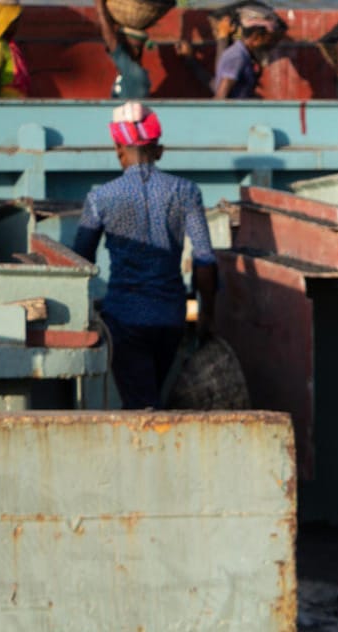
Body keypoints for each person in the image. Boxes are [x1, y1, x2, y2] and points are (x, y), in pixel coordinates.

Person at [73, 103, 219, 410]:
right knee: (151, 399)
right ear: (159, 150)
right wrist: (207, 313)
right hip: (171, 316)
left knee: (141, 407)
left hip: (125, 318)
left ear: (117, 149)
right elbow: (205, 259)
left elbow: (79, 261)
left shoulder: (100, 198)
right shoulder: (186, 192)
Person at [212, 6, 279, 99]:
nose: (268, 44)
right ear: (256, 37)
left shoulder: (245, 54)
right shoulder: (237, 56)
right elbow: (222, 93)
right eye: (267, 39)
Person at [93, 0, 150, 99]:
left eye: (122, 42)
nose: (118, 44)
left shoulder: (134, 74)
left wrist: (100, 7)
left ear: (135, 50)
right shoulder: (129, 73)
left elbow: (111, 41)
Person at [0, 0, 27, 99]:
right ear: (3, 21)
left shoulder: (6, 46)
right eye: (14, 20)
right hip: (8, 108)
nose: (17, 24)